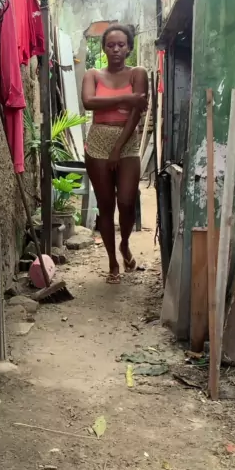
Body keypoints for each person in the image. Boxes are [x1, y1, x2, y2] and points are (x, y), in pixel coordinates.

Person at [82, 23, 148, 284]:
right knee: (106, 204)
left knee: (128, 202)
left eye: (121, 45)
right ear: (104, 49)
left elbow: (137, 110)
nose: (116, 49)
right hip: (98, 141)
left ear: (129, 47)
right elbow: (88, 102)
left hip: (127, 141)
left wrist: (118, 147)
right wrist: (125, 99)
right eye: (110, 45)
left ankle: (125, 244)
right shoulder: (93, 75)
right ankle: (112, 261)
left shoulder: (138, 73)